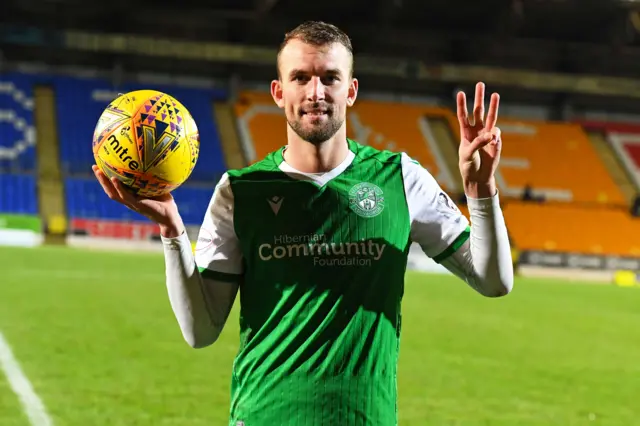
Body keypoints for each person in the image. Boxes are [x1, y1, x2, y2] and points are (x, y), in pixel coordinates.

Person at [93, 21, 513, 426]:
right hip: (263, 417)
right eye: (301, 77)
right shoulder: (241, 191)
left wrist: (479, 189)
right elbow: (200, 331)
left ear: (350, 91)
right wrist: (172, 231)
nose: (316, 92)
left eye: (330, 78)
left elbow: (494, 281)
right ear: (279, 92)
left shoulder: (400, 179)